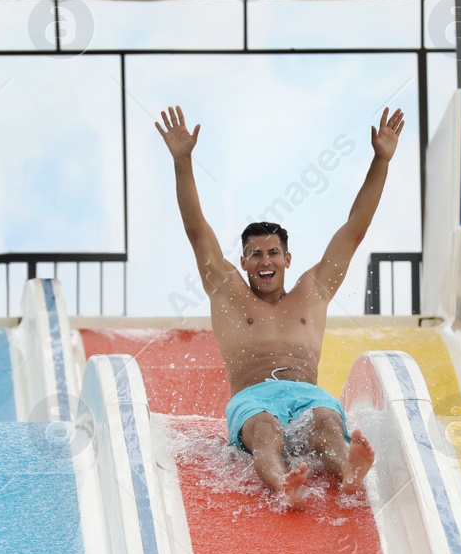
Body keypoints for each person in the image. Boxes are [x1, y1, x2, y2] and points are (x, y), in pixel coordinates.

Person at [154, 103, 404, 508]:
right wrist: (183, 162)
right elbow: (197, 230)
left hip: (308, 395)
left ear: (288, 259)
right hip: (254, 398)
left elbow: (354, 229)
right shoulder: (229, 295)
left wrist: (381, 161)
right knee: (266, 433)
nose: (264, 261)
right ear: (243, 262)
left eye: (273, 252)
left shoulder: (314, 291)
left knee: (325, 424)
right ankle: (283, 481)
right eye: (254, 254)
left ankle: (347, 469)